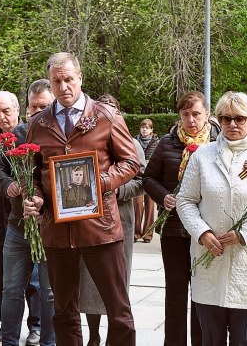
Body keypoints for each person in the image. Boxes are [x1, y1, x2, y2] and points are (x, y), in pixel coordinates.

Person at [22, 52, 139, 346]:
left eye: (69, 79)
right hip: (58, 231)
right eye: (57, 81)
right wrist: (34, 198)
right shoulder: (38, 123)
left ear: (80, 79)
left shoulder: (105, 116)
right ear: (50, 82)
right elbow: (32, 174)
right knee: (63, 312)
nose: (63, 86)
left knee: (118, 310)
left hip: (100, 228)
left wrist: (98, 183)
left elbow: (131, 163)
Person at [176, 91, 247, 346]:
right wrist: (202, 232)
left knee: (242, 339)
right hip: (209, 259)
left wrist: (245, 233)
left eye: (240, 118)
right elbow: (185, 201)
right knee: (210, 338)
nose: (233, 124)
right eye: (226, 119)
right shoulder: (202, 156)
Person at [143, 91, 220, 346]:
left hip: (207, 231)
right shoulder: (167, 143)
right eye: (185, 114)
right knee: (175, 293)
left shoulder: (217, 143)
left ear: (207, 114)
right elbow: (148, 179)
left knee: (203, 295)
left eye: (196, 114)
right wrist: (163, 196)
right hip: (174, 231)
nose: (191, 120)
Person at [0, 90, 52, 346]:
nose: (1, 116)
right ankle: (9, 336)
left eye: (6, 110)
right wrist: (9, 186)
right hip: (10, 223)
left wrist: (42, 204)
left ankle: (41, 333)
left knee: (45, 290)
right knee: (8, 287)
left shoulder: (56, 135)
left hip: (45, 224)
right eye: (35, 107)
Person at [80, 134, 145, 346]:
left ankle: (114, 336)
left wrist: (118, 190)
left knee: (117, 283)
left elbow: (142, 180)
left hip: (120, 220)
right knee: (89, 282)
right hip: (88, 220)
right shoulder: (86, 140)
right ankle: (93, 336)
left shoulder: (131, 144)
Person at [133, 118, 159, 243]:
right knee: (137, 205)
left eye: (147, 127)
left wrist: (151, 162)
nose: (144, 129)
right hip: (137, 176)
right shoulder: (133, 141)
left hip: (151, 176)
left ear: (151, 130)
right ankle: (136, 232)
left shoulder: (156, 142)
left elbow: (159, 158)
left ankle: (148, 234)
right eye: (143, 127)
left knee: (150, 205)